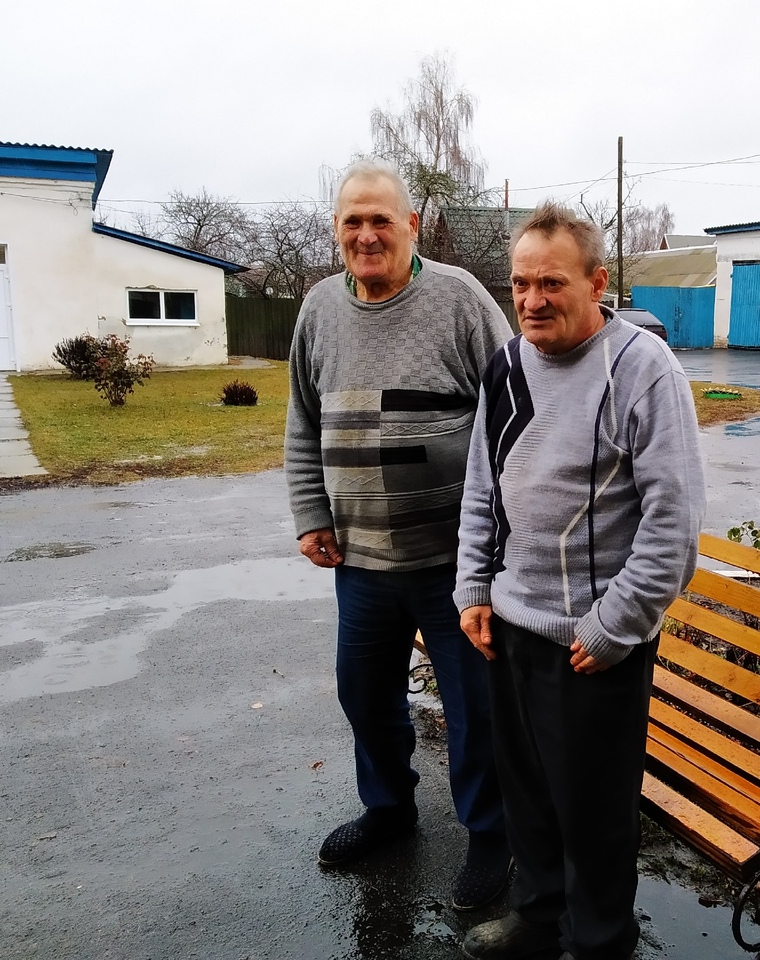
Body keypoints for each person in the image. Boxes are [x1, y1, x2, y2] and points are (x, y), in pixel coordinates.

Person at [453, 202, 706, 960]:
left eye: (551, 283)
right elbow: (480, 488)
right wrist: (472, 589)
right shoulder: (505, 367)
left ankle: (600, 942)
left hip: (591, 646)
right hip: (510, 629)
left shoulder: (642, 369)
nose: (531, 300)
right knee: (527, 794)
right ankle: (536, 920)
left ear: (597, 283)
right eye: (520, 283)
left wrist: (614, 625)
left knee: (594, 814)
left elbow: (674, 522)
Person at [285, 159, 513, 911]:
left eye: (381, 218)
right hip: (363, 559)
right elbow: (302, 421)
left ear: (411, 225)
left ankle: (490, 834)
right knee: (364, 695)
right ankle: (388, 809)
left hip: (456, 561)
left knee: (474, 707)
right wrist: (310, 513)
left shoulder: (460, 300)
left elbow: (515, 413)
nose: (367, 233)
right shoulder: (318, 309)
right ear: (337, 232)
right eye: (352, 220)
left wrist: (502, 536)